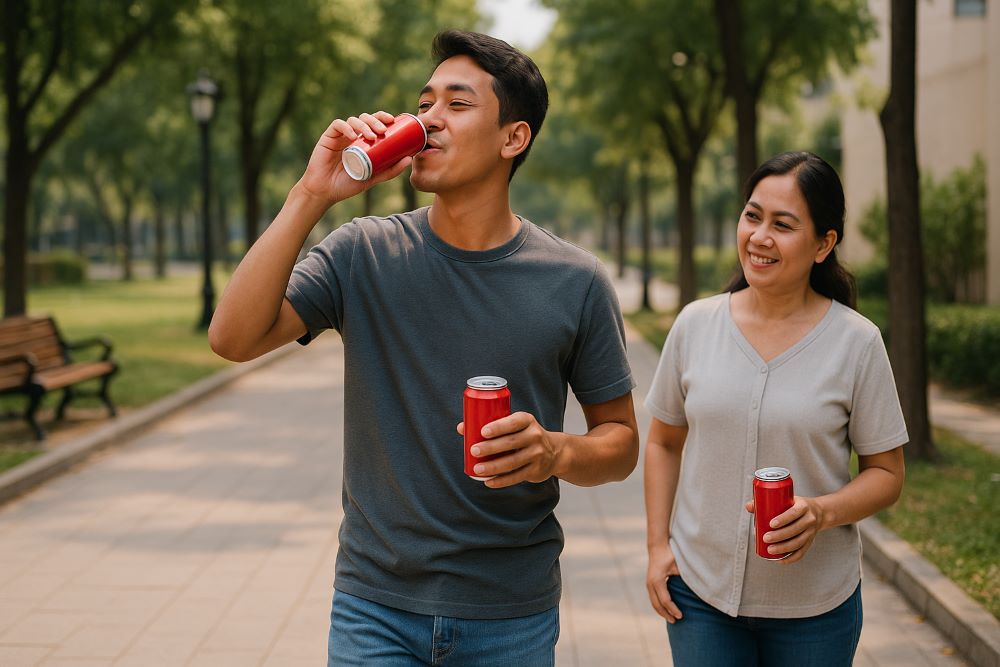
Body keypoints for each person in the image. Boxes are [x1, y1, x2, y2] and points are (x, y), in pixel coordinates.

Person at [209, 30, 639, 667]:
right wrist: (312, 193)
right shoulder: (362, 253)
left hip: (511, 613)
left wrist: (556, 451)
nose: (428, 119)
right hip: (374, 608)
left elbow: (621, 441)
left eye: (457, 105)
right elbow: (232, 338)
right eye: (424, 102)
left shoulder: (574, 281)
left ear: (512, 138)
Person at [643, 151, 907, 666]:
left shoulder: (857, 342)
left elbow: (888, 473)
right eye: (752, 215)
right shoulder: (695, 325)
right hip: (701, 596)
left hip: (816, 608)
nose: (760, 236)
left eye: (783, 225)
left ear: (823, 244)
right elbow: (663, 440)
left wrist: (821, 511)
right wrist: (657, 547)